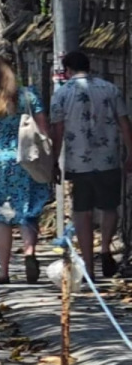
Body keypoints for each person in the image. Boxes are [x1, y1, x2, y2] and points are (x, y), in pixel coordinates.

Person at [0, 49, 51, 283]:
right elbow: (44, 130)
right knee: (27, 211)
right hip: (25, 160)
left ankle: (4, 271)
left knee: (1, 217)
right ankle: (29, 252)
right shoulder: (28, 97)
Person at [50, 48, 132, 279]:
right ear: (89, 67)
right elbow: (125, 123)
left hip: (78, 162)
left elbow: (58, 131)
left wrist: (54, 160)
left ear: (67, 70)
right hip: (108, 158)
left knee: (82, 212)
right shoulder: (110, 89)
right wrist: (130, 153)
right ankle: (105, 248)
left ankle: (88, 264)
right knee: (109, 207)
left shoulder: (62, 94)